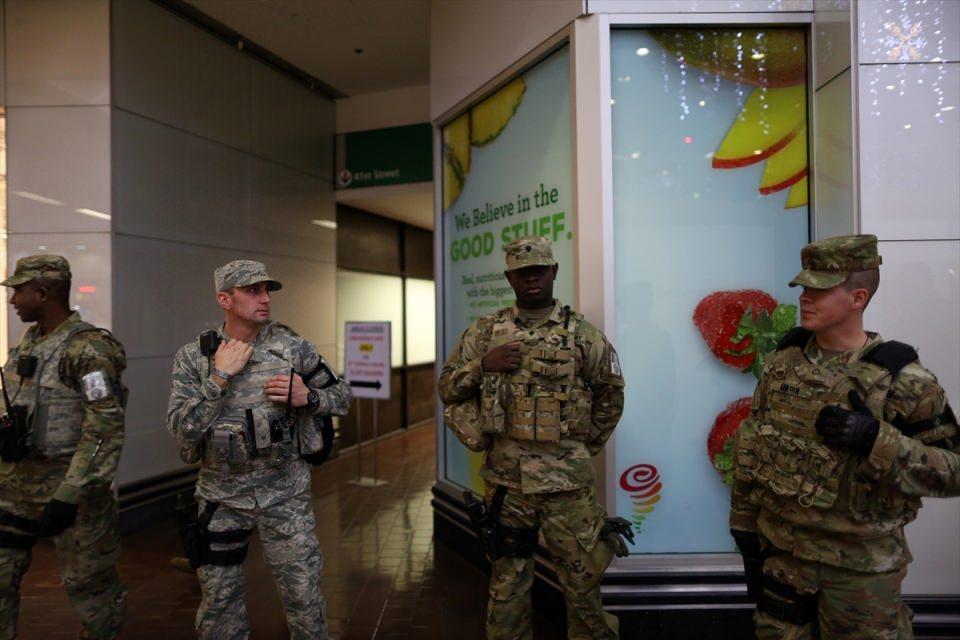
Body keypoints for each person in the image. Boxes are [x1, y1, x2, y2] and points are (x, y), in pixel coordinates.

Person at [729, 234, 960, 639]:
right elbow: (753, 444)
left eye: (819, 290)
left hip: (860, 571)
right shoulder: (783, 363)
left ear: (857, 298)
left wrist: (875, 441)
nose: (805, 297)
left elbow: (954, 471)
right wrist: (744, 527)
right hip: (785, 558)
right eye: (803, 287)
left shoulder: (903, 379)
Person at [439, 236, 631, 640]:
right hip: (508, 488)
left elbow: (611, 396)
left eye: (539, 270)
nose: (531, 278)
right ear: (509, 277)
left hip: (568, 490)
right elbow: (447, 389)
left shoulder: (583, 335)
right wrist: (481, 365)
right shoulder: (486, 333)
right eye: (522, 272)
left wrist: (579, 449)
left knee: (583, 587)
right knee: (507, 586)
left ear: (554, 272)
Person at [166, 259, 351, 640]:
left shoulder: (292, 349)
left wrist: (309, 396)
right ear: (225, 299)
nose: (265, 298)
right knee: (219, 607)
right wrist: (219, 377)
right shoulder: (195, 357)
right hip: (221, 498)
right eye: (252, 291)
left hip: (285, 493)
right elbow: (181, 429)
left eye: (267, 290)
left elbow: (343, 396)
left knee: (304, 598)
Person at [0, 255, 128, 639]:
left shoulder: (88, 350)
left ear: (43, 292)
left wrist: (71, 492)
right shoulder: (29, 343)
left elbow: (105, 427)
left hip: (71, 491)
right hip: (17, 487)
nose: (12, 300)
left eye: (19, 291)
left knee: (89, 586)